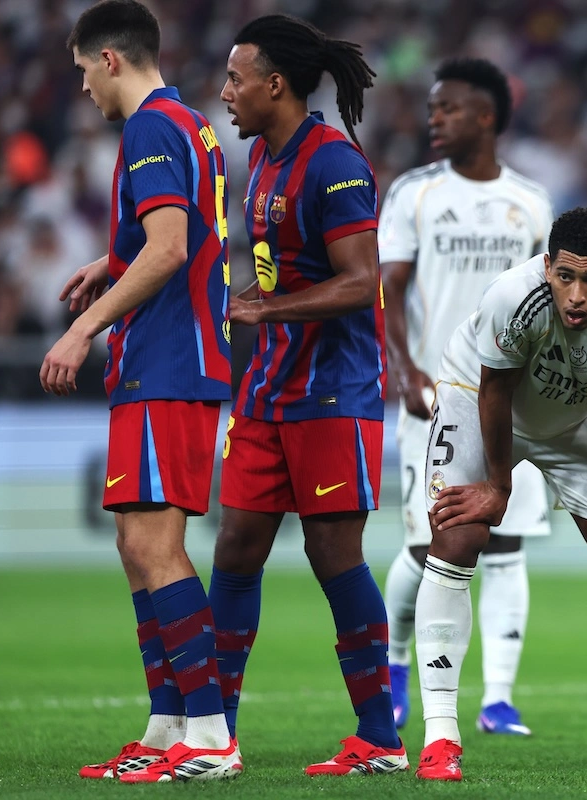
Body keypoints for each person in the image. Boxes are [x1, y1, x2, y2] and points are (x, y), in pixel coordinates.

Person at [412, 207, 587, 782]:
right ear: (547, 267)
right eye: (565, 276)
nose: (577, 295)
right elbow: (495, 392)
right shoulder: (512, 298)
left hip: (577, 416)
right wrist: (497, 487)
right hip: (478, 397)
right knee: (458, 536)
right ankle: (440, 736)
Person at [44, 0, 238, 782]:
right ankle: (166, 729)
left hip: (168, 362)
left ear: (111, 59)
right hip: (161, 362)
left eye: (84, 68)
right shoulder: (187, 125)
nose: (84, 84)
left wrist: (82, 327)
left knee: (157, 549)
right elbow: (166, 240)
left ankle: (211, 737)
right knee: (136, 547)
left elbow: (170, 249)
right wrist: (111, 256)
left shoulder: (150, 128)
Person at [207, 15, 404, 777]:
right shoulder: (260, 159)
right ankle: (212, 734)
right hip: (268, 391)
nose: (226, 92)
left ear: (274, 84)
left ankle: (379, 739)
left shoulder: (334, 163)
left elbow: (362, 282)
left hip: (334, 391)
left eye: (235, 78)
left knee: (333, 557)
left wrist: (266, 309)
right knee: (236, 547)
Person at [378, 57, 554, 736]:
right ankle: (392, 668)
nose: (434, 119)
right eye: (432, 109)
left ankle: (498, 700)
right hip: (435, 397)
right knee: (430, 548)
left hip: (511, 401)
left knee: (506, 542)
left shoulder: (532, 201)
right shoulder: (414, 193)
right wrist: (405, 368)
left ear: (485, 115)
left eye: (447, 108)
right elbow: (388, 287)